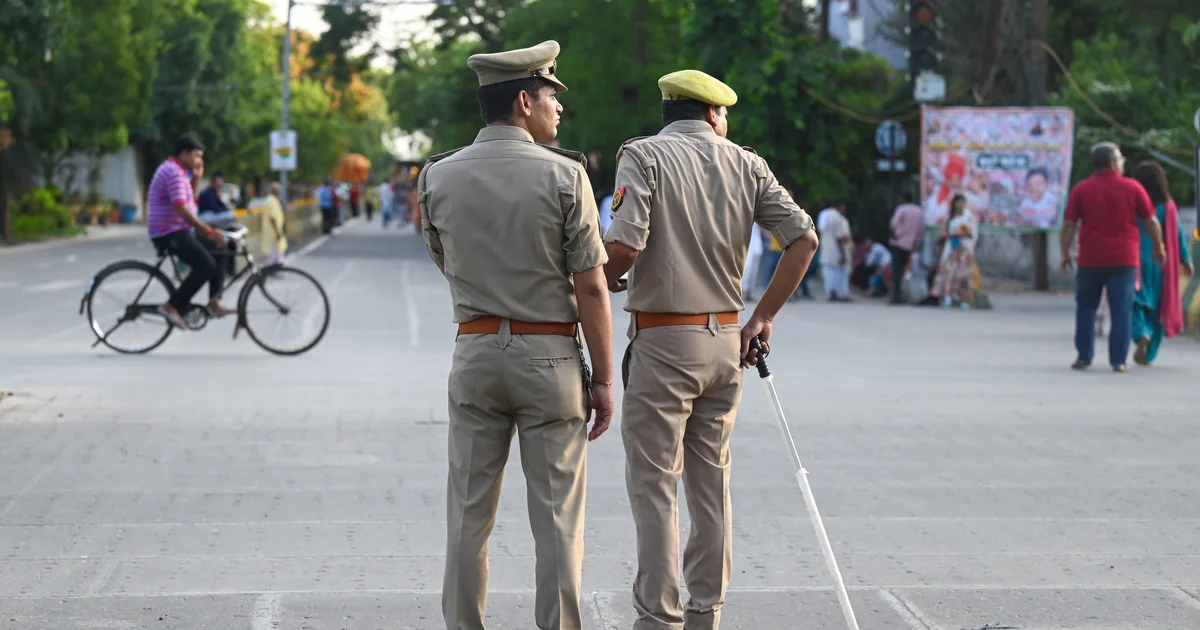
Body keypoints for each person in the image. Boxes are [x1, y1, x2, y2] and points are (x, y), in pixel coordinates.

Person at [602, 69, 818, 630]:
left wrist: (597, 278)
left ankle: (659, 617)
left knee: (655, 486)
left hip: (663, 342)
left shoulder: (644, 156)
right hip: (726, 342)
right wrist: (763, 316)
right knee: (712, 485)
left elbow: (624, 244)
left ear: (669, 110)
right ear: (714, 114)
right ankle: (706, 613)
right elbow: (803, 239)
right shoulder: (747, 164)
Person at [417, 40, 614, 630]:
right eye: (552, 94)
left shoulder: (437, 175)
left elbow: (444, 259)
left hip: (475, 352)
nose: (560, 106)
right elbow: (593, 288)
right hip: (549, 358)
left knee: (466, 514)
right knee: (557, 520)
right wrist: (604, 379)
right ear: (525, 102)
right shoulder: (566, 175)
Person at [1060, 142, 1167, 372]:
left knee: (1086, 308)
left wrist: (1064, 253)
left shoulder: (1082, 189)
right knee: (1121, 310)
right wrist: (1159, 248)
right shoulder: (1133, 188)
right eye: (1120, 159)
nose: (1122, 163)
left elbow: (1069, 224)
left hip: (1090, 259)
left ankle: (1084, 356)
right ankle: (1118, 361)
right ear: (1112, 163)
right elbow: (1151, 221)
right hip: (1123, 260)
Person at [146, 133, 233, 329]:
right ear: (184, 154)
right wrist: (208, 231)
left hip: (179, 230)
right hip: (169, 233)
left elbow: (189, 201)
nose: (200, 161)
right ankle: (171, 306)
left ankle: (214, 302)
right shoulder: (174, 172)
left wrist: (197, 178)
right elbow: (181, 208)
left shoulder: (181, 172)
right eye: (197, 156)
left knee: (221, 250)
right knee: (206, 266)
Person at [1130, 160, 1194, 365]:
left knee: (1134, 301)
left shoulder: (1133, 203)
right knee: (1159, 309)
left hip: (1135, 259)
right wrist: (1186, 259)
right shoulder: (1168, 207)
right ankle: (1149, 354)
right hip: (1161, 262)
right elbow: (1178, 235)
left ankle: (1140, 333)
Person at [930, 194, 977, 309]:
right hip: (951, 250)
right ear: (953, 204)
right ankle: (948, 298)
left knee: (964, 276)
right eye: (958, 202)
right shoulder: (949, 217)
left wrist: (962, 233)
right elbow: (944, 233)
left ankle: (964, 300)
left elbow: (971, 233)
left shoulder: (968, 217)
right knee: (949, 275)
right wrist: (953, 234)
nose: (960, 205)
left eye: (962, 202)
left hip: (964, 251)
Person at [888, 192, 924, 304]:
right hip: (912, 246)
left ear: (903, 200)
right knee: (910, 271)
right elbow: (921, 229)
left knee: (897, 272)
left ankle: (897, 297)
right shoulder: (919, 211)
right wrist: (917, 243)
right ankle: (910, 296)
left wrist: (896, 235)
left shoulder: (901, 209)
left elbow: (894, 224)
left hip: (899, 244)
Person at [819, 199, 852, 301]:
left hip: (826, 248)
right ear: (840, 206)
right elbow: (840, 238)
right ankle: (839, 293)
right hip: (836, 250)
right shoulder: (838, 218)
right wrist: (843, 254)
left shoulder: (824, 215)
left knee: (828, 272)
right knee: (838, 272)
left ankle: (830, 292)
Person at [259, 182, 288, 266]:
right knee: (273, 254)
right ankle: (273, 269)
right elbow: (272, 218)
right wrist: (277, 231)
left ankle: (276, 268)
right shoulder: (271, 201)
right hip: (273, 233)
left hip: (275, 231)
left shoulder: (274, 200)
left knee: (277, 253)